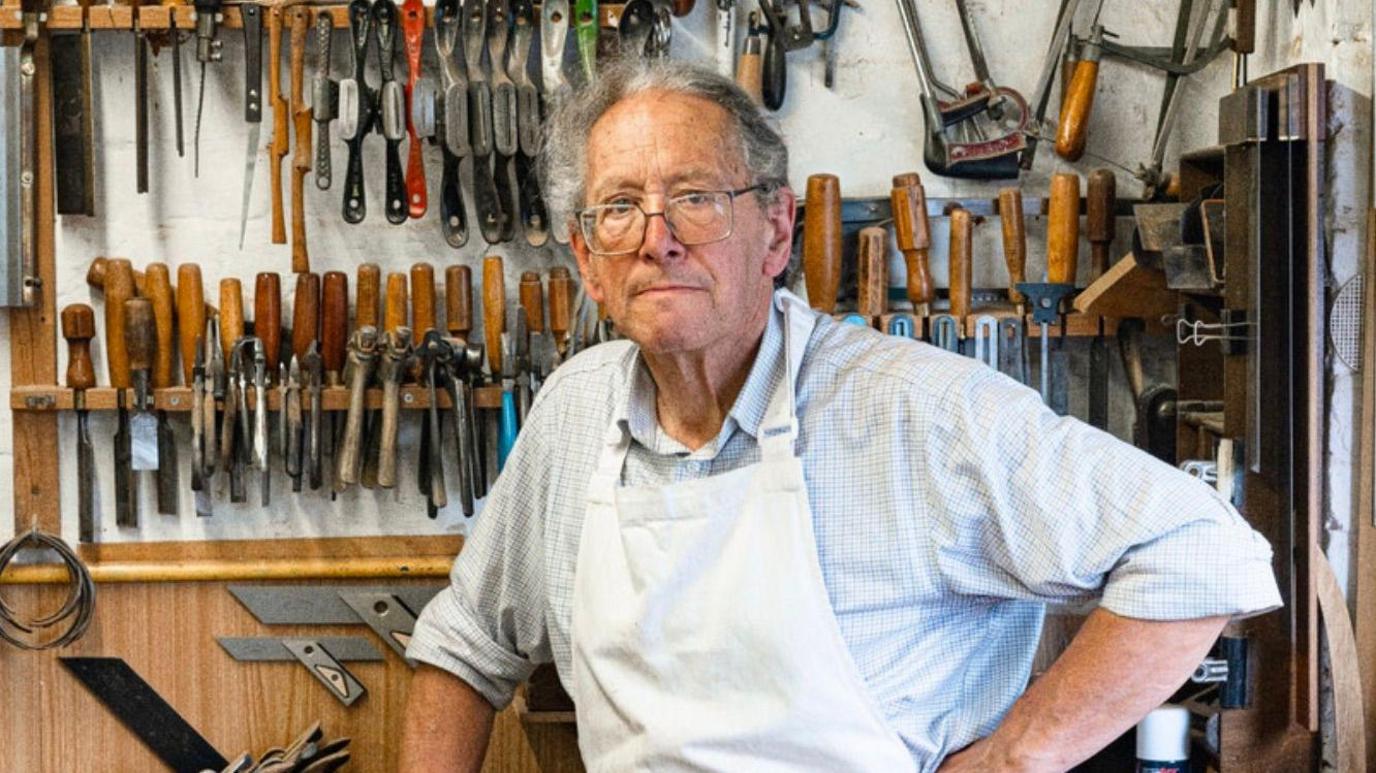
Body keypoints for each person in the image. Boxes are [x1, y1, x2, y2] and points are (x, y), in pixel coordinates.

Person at [399, 59, 1281, 773]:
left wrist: (1022, 754)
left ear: (777, 230)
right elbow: (466, 640)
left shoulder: (913, 410)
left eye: (696, 197)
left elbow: (1202, 551)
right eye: (620, 207)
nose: (656, 236)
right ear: (590, 264)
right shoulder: (572, 412)